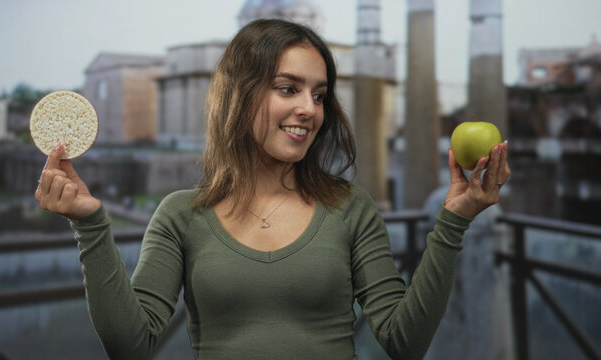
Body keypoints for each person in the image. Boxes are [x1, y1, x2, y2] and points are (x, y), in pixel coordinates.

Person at [35, 19, 510, 360]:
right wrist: (90, 225)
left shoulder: (349, 207)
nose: (310, 108)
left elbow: (403, 344)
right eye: (288, 88)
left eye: (319, 95)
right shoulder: (181, 215)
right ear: (239, 94)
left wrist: (454, 220)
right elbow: (131, 346)